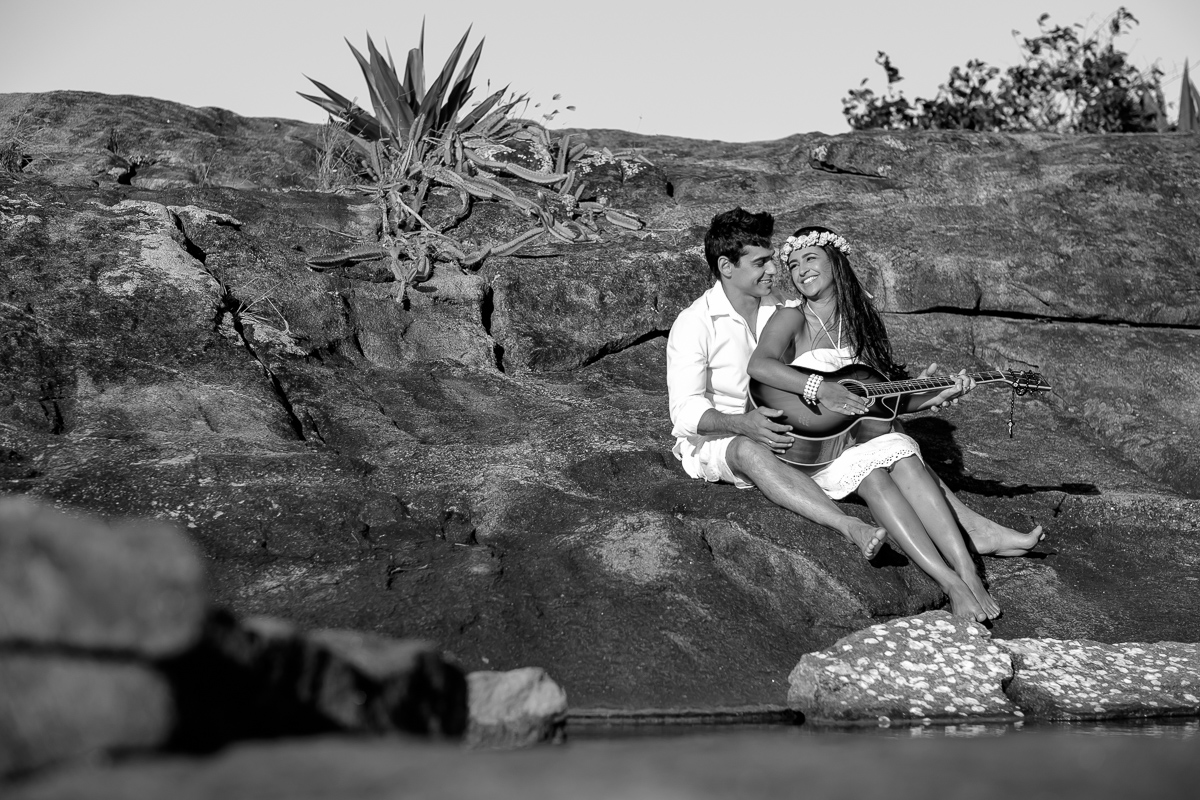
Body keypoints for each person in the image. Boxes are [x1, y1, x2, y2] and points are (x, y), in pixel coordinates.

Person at [666, 210, 1044, 618]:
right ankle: (866, 532)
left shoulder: (782, 304)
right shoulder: (695, 324)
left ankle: (967, 563)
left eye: (780, 261)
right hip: (730, 433)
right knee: (751, 450)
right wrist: (745, 422)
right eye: (764, 263)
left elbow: (854, 384)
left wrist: (927, 395)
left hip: (806, 428)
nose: (778, 270)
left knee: (887, 440)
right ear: (726, 267)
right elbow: (686, 411)